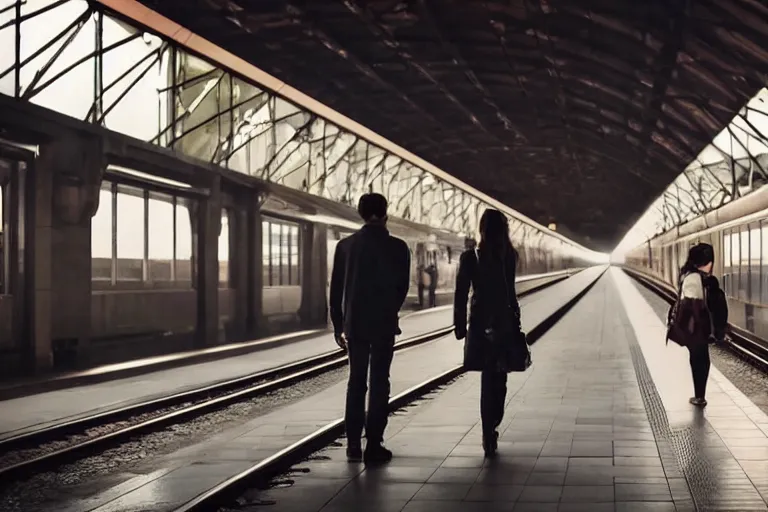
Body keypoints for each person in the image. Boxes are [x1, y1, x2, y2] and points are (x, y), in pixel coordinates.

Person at [329, 193, 411, 463]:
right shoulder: (399, 248)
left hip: (355, 325)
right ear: (385, 213)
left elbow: (336, 290)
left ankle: (353, 444)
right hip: (384, 324)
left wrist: (338, 324)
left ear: (361, 214)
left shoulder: (346, 247)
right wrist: (390, 310)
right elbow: (402, 288)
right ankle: (374, 443)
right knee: (379, 383)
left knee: (356, 383)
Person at [453, 209, 522, 456]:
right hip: (503, 324)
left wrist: (459, 325)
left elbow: (461, 293)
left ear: (482, 229)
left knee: (487, 378)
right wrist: (516, 323)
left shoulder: (470, 257)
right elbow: (510, 292)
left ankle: (487, 429)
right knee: (499, 378)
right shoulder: (510, 256)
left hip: (480, 324)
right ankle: (491, 425)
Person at [673, 243, 728, 407]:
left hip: (696, 329)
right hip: (696, 328)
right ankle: (699, 396)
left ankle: (699, 396)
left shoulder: (693, 277)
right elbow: (694, 305)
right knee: (700, 361)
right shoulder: (695, 278)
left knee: (699, 360)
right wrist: (707, 330)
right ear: (706, 261)